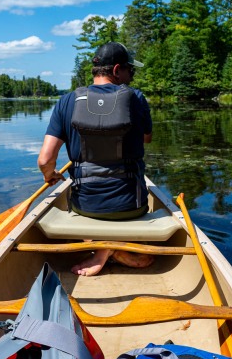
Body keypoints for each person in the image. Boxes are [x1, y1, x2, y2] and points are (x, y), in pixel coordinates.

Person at [37, 42, 153, 276]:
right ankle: (111, 248)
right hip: (131, 206)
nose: (132, 75)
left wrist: (50, 175)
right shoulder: (137, 98)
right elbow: (146, 139)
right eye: (131, 69)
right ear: (117, 69)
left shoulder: (67, 101)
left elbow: (45, 159)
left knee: (84, 208)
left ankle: (102, 246)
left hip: (86, 207)